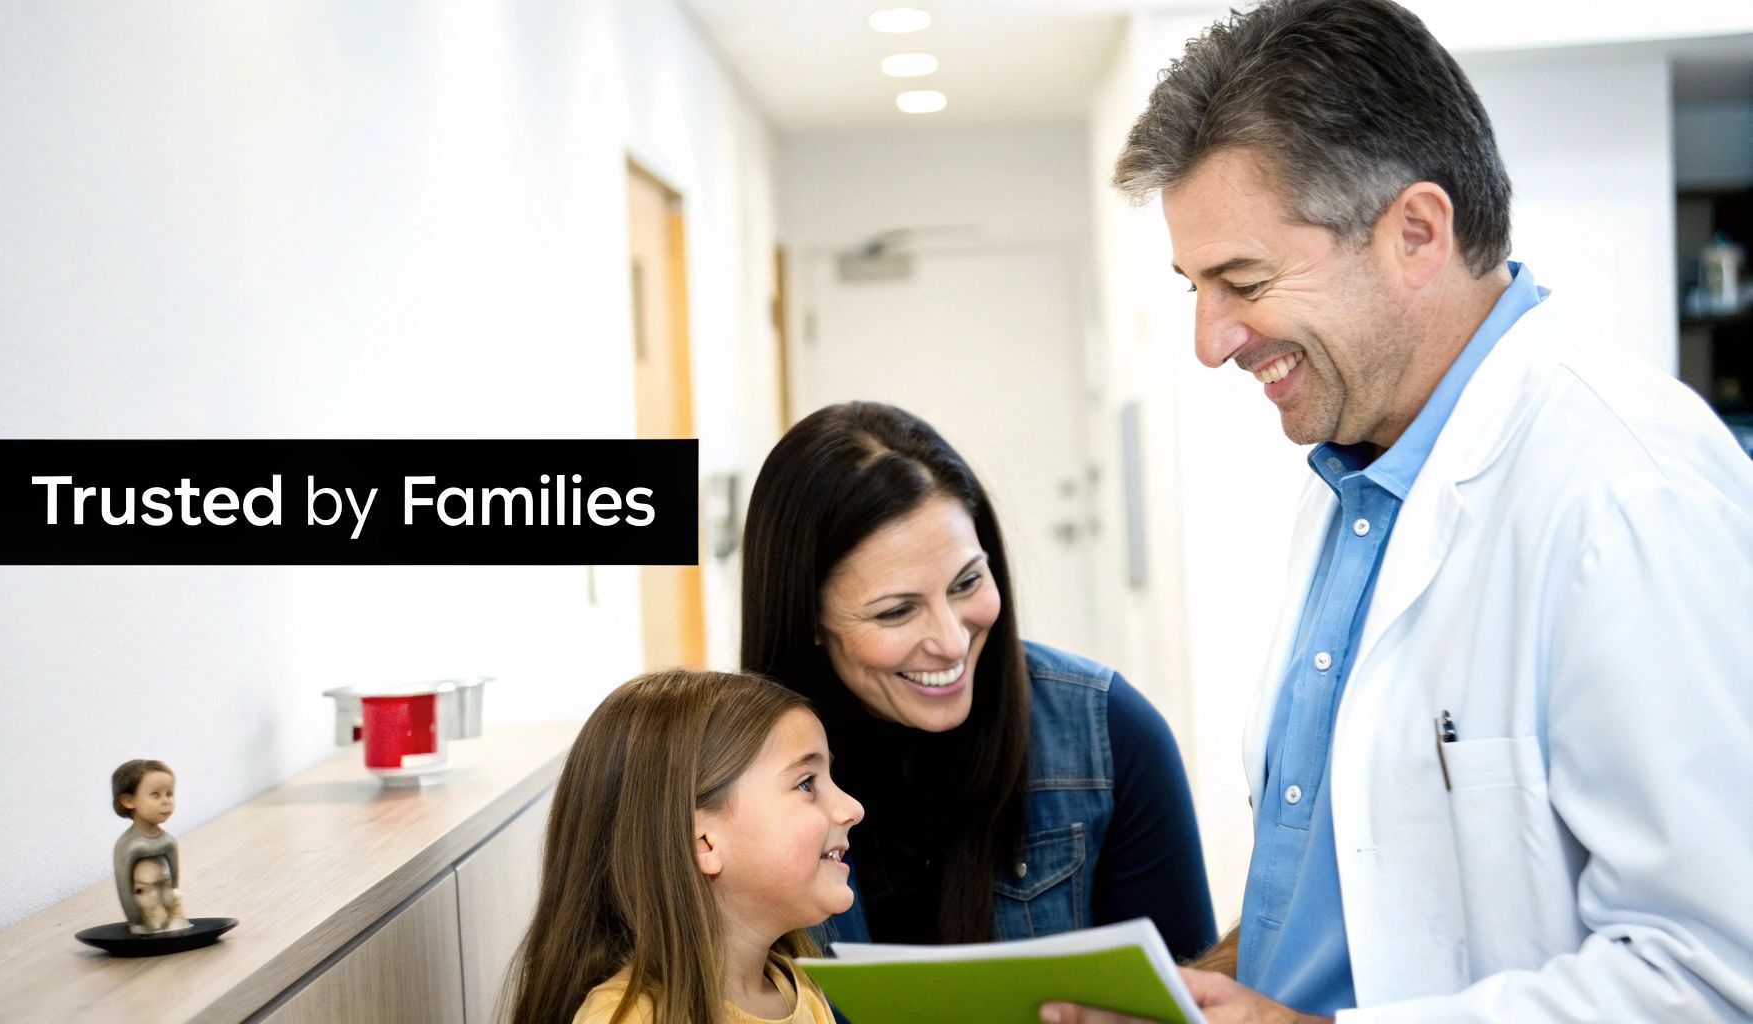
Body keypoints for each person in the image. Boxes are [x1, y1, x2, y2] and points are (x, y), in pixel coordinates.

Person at [1044, 1, 1753, 1022]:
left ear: (1415, 232)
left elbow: (1712, 970)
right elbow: (1352, 890)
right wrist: (1206, 994)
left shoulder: (1625, 491)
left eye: (1239, 281)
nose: (1207, 340)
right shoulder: (1352, 486)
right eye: (1193, 287)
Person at [741, 402, 1216, 960]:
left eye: (967, 582)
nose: (950, 640)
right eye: (897, 612)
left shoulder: (1111, 735)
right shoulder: (728, 773)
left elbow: (1193, 995)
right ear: (809, 620)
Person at [505, 669, 864, 1024]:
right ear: (704, 843)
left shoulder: (799, 991)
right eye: (806, 784)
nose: (853, 808)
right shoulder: (624, 1017)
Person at [110, 758, 189, 934]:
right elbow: (124, 888)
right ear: (128, 801)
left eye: (169, 794)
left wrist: (174, 910)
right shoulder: (129, 846)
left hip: (170, 919)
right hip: (143, 922)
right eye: (155, 795)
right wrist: (136, 922)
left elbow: (174, 886)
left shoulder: (168, 842)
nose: (166, 801)